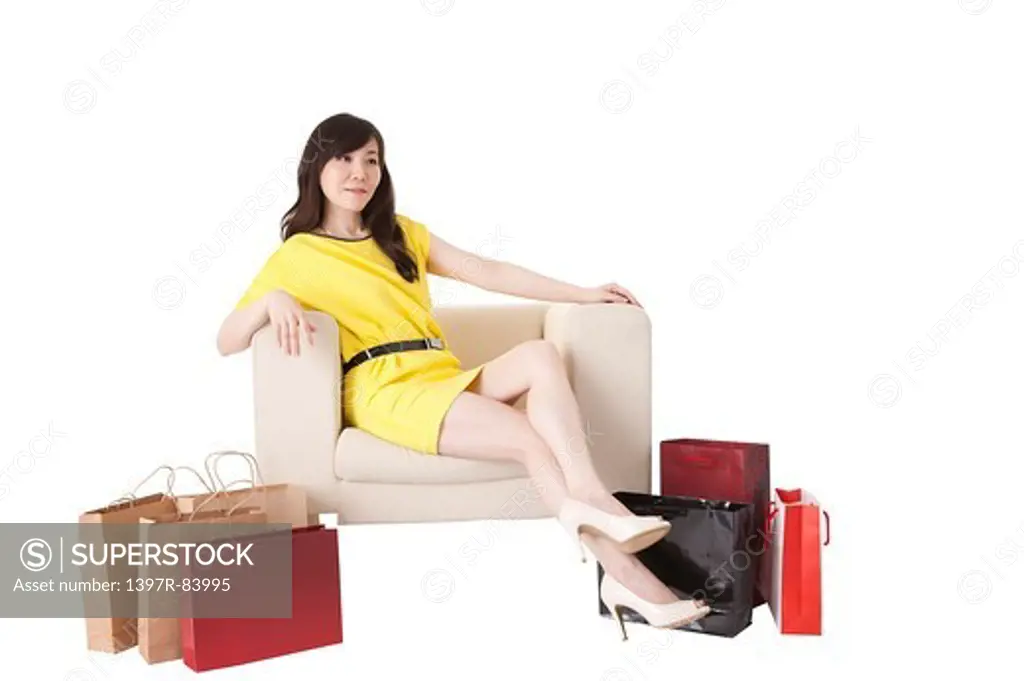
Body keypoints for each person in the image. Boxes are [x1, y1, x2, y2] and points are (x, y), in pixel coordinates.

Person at [216, 112, 709, 638]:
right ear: (317, 167)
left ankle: (590, 496)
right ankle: (627, 574)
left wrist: (584, 293)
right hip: (385, 388)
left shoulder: (399, 233)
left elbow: (488, 271)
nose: (359, 172)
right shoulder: (298, 254)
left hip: (438, 371)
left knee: (541, 355)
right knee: (525, 436)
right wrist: (272, 298)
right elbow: (226, 340)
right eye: (344, 158)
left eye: (371, 160)